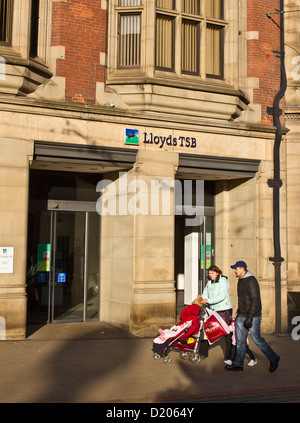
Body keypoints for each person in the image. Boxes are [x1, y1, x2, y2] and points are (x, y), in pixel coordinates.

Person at [225, 260, 280, 372]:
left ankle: (274, 358)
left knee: (257, 339)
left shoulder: (251, 281)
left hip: (253, 315)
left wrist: (250, 317)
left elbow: (255, 300)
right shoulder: (241, 280)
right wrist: (238, 311)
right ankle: (238, 364)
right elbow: (242, 299)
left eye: (236, 269)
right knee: (240, 341)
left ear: (242, 269)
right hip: (242, 314)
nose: (235, 271)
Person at [200, 265, 233, 361]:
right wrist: (202, 298)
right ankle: (202, 352)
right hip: (213, 309)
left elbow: (221, 296)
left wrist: (208, 301)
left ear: (218, 273)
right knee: (206, 329)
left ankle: (229, 356)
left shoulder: (223, 282)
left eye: (212, 273)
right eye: (209, 273)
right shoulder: (210, 282)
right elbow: (205, 292)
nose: (211, 275)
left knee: (227, 332)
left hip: (224, 309)